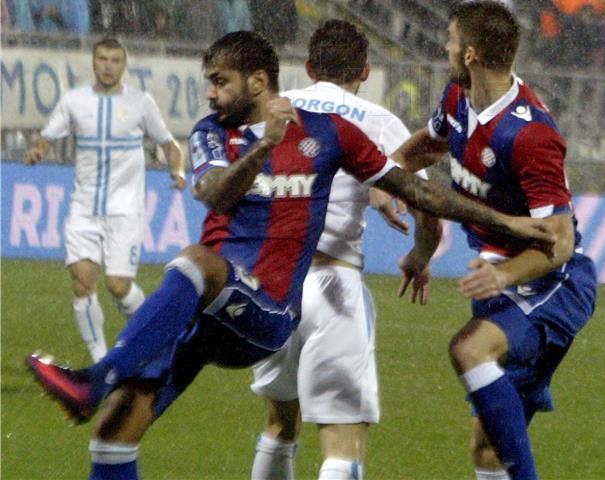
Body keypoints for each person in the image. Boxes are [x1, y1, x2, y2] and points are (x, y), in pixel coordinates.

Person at [27, 30, 555, 480]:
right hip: (214, 306)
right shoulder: (214, 133)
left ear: (260, 81)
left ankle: (95, 380)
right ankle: (102, 391)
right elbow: (213, 194)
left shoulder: (325, 131)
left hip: (273, 309)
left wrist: (504, 221)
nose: (209, 93)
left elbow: (419, 192)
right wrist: (261, 147)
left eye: (219, 82)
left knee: (200, 270)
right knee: (114, 433)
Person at [394, 0, 597, 480]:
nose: (443, 47)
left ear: (469, 53)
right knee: (487, 450)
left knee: (469, 350)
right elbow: (420, 150)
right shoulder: (456, 100)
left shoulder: (530, 135)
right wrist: (392, 178)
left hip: (552, 287)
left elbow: (561, 242)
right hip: (501, 284)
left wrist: (502, 273)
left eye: (449, 40)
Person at [249, 20, 438, 480]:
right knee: (342, 444)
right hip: (333, 285)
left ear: (310, 66)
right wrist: (420, 256)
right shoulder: (376, 121)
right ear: (366, 71)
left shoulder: (272, 112)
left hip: (268, 285)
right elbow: (427, 208)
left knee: (280, 423)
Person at [24, 37, 186, 362]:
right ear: (94, 62)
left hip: (124, 210)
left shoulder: (141, 102)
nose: (108, 66)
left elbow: (169, 144)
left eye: (114, 60)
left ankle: (156, 335)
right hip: (84, 207)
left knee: (118, 286)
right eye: (102, 59)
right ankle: (101, 363)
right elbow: (47, 134)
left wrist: (178, 170)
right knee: (83, 282)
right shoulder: (74, 101)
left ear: (124, 65)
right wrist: (39, 149)